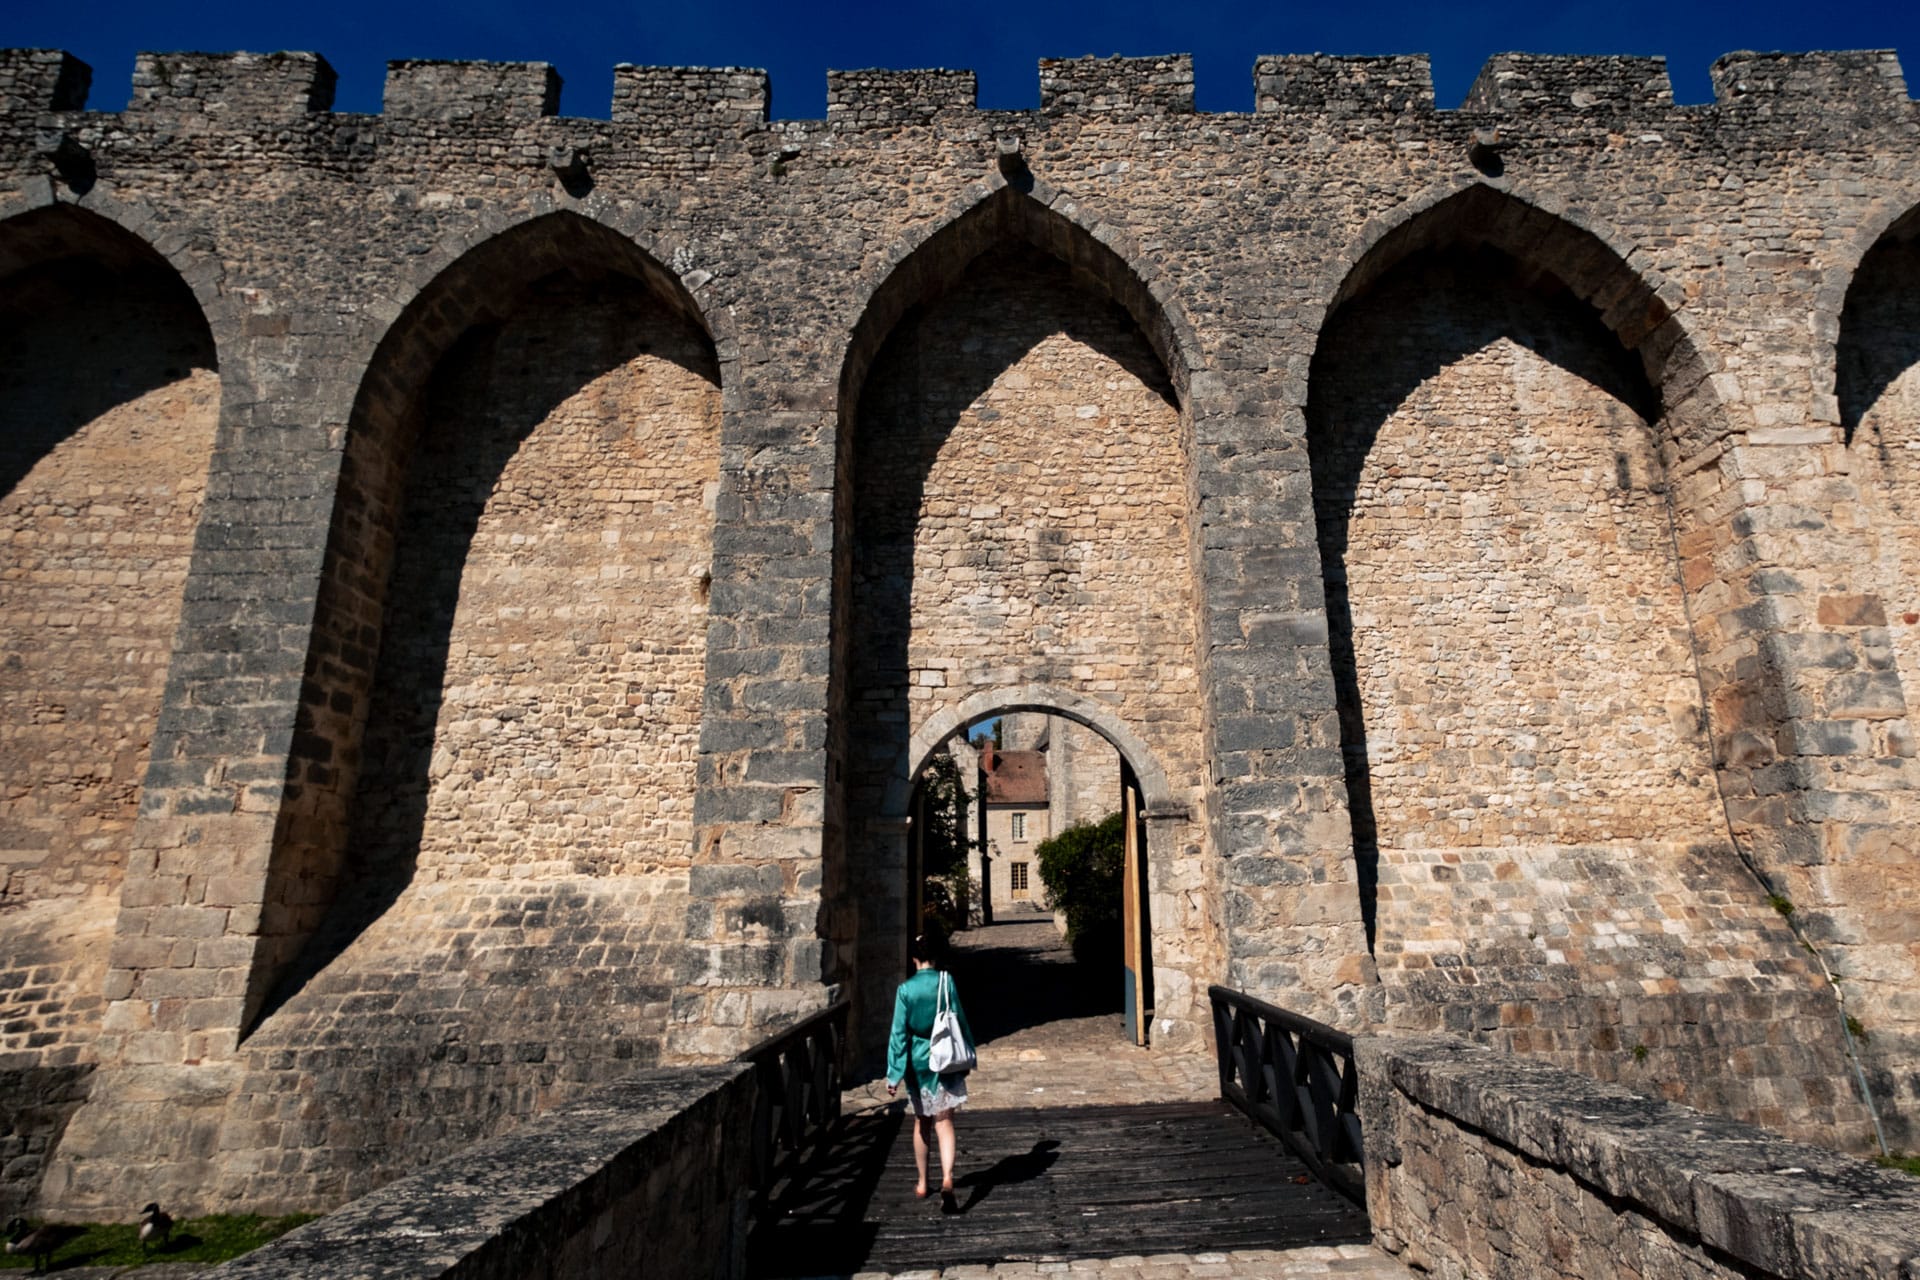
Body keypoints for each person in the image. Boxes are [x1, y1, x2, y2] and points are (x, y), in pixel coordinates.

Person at [885, 931, 974, 1211]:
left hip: (919, 1059)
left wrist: (894, 1072)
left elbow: (898, 1034)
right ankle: (947, 1177)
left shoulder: (906, 990)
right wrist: (968, 1055)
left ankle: (923, 1182)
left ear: (913, 959)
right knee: (945, 1121)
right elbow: (959, 1019)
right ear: (935, 958)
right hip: (945, 1056)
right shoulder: (947, 983)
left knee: (921, 1121)